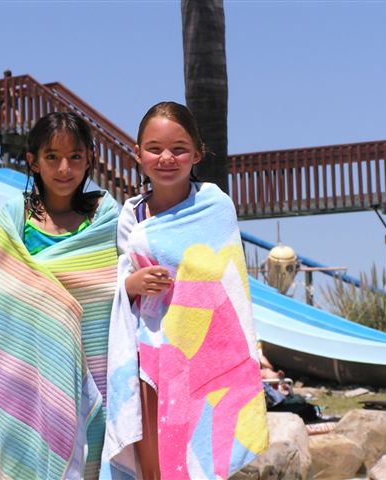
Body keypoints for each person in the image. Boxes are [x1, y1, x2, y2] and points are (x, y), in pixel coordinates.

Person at [102, 102, 269, 479]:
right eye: (154, 148)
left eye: (178, 149)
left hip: (201, 351)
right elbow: (122, 278)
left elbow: (227, 278)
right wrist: (131, 285)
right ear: (138, 153)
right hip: (147, 352)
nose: (166, 158)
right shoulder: (131, 214)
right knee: (152, 457)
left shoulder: (214, 206)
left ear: (197, 153)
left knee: (192, 449)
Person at [0, 112, 119, 479]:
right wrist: (55, 303)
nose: (64, 168)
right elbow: (0, 295)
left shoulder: (106, 217)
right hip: (26, 373)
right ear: (33, 161)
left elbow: (111, 283)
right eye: (52, 157)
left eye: (75, 156)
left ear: (89, 159)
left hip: (97, 371)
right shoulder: (15, 217)